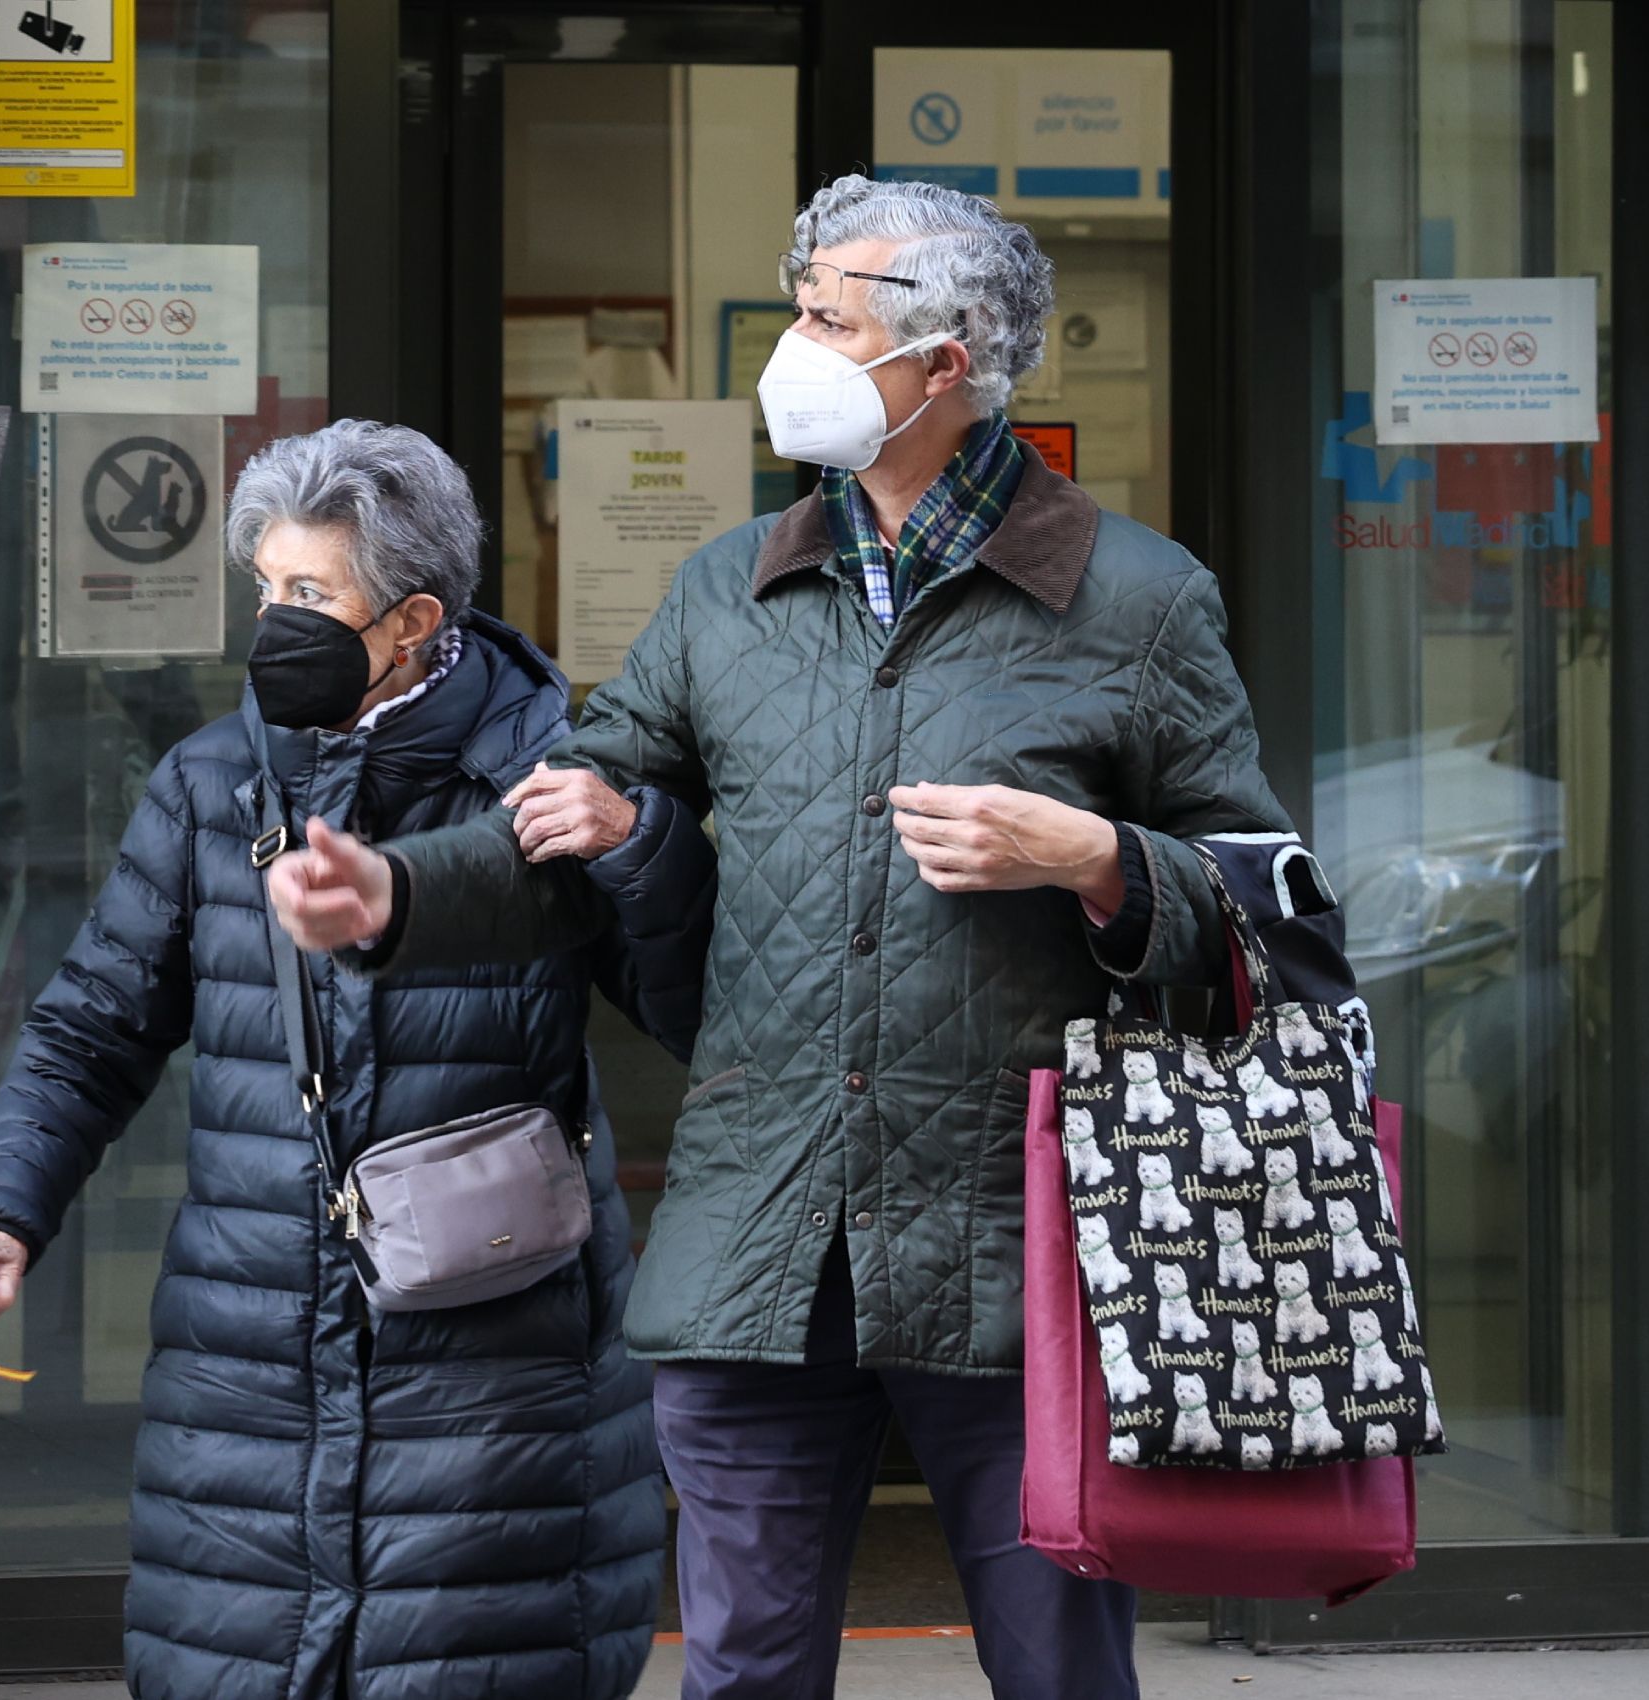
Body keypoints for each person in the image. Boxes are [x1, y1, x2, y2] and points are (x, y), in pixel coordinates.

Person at [265, 176, 1295, 1700]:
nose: (793, 347)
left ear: (945, 362)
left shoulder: (1137, 601)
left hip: (1019, 1256)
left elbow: (1268, 916)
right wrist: (399, 895)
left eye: (828, 319)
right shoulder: (727, 590)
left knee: (1060, 1669)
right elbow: (574, 816)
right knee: (742, 1668)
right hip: (761, 1241)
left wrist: (1094, 859)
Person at [0, 420, 710, 1700]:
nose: (274, 621)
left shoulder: (548, 783)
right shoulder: (211, 785)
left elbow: (698, 1013)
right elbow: (91, 1026)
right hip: (250, 1354)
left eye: (309, 591)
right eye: (265, 588)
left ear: (412, 622)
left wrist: (641, 850)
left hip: (495, 1374)